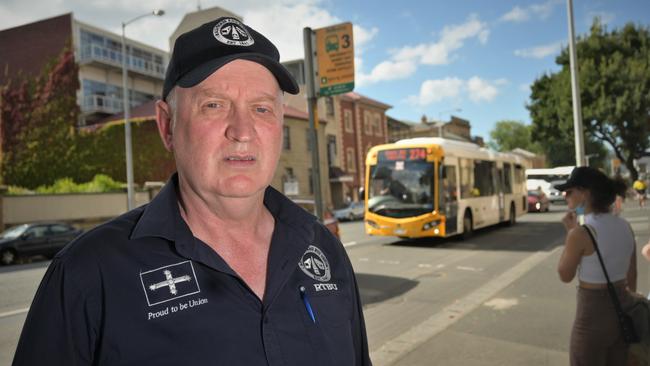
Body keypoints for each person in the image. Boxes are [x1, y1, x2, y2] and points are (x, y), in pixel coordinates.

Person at [13, 17, 371, 365]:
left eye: (261, 109)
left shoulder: (324, 248)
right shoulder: (88, 275)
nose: (242, 131)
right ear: (167, 126)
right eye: (214, 105)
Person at [556, 167, 637, 366]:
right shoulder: (625, 226)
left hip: (592, 316)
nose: (565, 196)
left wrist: (570, 233)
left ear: (585, 193)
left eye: (569, 192)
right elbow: (632, 275)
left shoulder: (581, 233)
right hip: (622, 309)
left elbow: (565, 274)